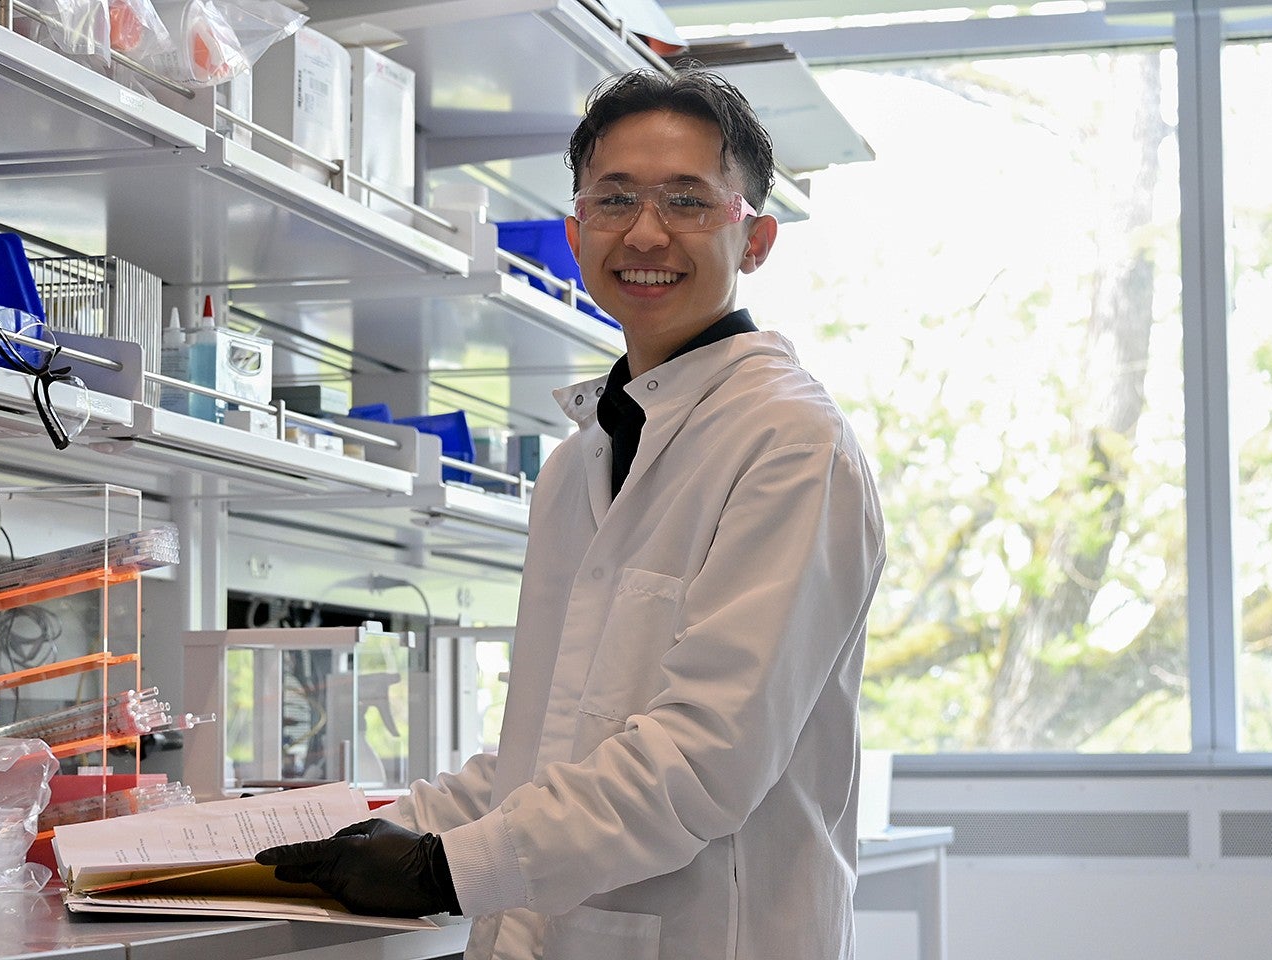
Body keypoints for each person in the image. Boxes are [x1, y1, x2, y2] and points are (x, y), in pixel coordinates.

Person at [256, 66, 887, 960]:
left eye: (689, 202)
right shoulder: (581, 458)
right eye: (614, 199)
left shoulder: (789, 445)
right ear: (574, 231)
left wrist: (443, 869)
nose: (646, 232)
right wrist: (369, 830)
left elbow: (703, 759)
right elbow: (544, 750)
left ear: (757, 241)